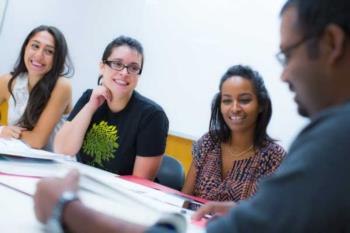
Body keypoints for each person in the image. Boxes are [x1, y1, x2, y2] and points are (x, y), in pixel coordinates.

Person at [33, 0, 350, 232]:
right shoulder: (208, 144)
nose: (284, 75)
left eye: (288, 55)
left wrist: (67, 209)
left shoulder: (333, 139)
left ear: (333, 44)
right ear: (102, 67)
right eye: (116, 64)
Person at [54, 36, 169, 180]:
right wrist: (90, 107)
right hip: (83, 184)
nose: (124, 72)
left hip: (119, 196)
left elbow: (140, 183)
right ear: (102, 67)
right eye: (117, 64)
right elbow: (63, 149)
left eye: (133, 68)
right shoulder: (89, 97)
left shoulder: (152, 116)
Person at [181, 65, 285, 202]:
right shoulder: (209, 142)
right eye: (227, 101)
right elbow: (184, 200)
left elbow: (271, 218)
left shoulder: (274, 158)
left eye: (244, 100)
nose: (234, 108)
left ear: (261, 105)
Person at [0, 25, 73, 151]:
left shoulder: (62, 86)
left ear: (57, 59)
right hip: (16, 157)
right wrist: (2, 130)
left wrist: (7, 133)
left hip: (53, 165)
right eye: (35, 46)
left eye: (49, 51)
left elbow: (37, 141)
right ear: (25, 48)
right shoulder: (7, 81)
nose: (39, 56)